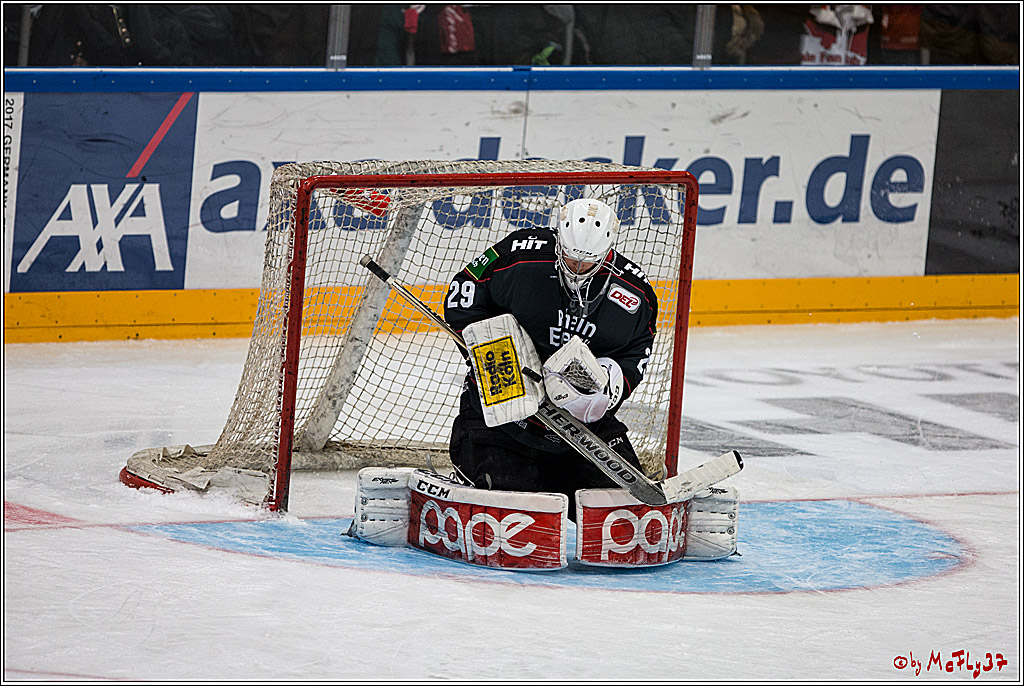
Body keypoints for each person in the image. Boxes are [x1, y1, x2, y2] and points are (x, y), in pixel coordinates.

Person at [443, 197, 658, 513]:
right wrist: (497, 357)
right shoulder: (519, 255)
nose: (577, 269)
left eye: (588, 263)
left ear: (607, 253)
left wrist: (608, 388)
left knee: (625, 510)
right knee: (515, 509)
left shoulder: (634, 293)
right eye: (570, 258)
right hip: (501, 423)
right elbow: (462, 299)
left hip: (579, 431)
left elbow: (634, 354)